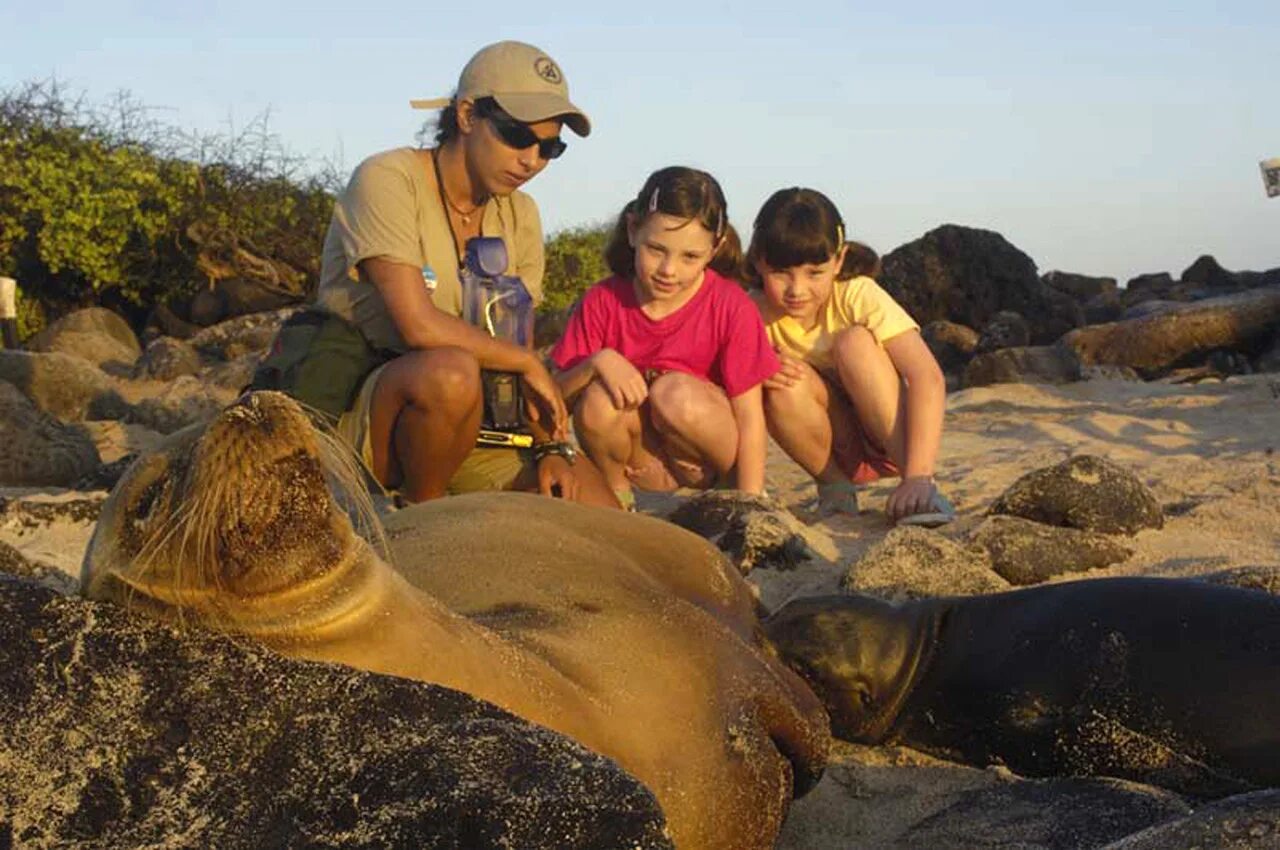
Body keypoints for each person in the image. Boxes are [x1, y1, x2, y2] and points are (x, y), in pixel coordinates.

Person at [310, 40, 617, 507]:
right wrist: (528, 363)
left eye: (550, 146)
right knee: (450, 375)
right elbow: (419, 325)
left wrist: (551, 446)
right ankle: (422, 518)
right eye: (517, 135)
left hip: (481, 424)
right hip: (373, 410)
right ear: (468, 116)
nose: (532, 159)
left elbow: (514, 350)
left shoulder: (521, 215)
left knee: (606, 519)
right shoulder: (387, 179)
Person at [549, 166, 779, 510]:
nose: (668, 270)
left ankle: (729, 496)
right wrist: (596, 363)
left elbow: (749, 415)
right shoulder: (602, 301)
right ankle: (617, 496)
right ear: (632, 231)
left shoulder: (732, 306)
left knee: (674, 393)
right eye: (656, 249)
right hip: (643, 464)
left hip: (709, 462)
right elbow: (554, 400)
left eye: (690, 257)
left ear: (714, 250)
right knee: (598, 399)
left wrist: (750, 501)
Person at [746, 187, 954, 525]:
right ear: (758, 262)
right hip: (833, 446)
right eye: (781, 273)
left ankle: (921, 490)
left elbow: (926, 375)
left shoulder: (857, 294)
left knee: (854, 343)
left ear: (839, 259)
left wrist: (919, 472)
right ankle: (835, 491)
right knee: (779, 377)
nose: (797, 289)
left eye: (814, 273)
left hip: (892, 440)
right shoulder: (752, 311)